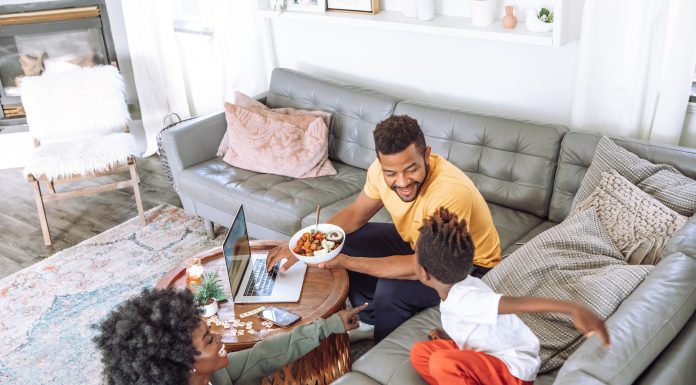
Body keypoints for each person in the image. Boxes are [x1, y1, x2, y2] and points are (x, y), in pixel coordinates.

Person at [266, 114, 501, 342]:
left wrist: (346, 262)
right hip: (418, 243)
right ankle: (370, 319)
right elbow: (356, 215)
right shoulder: (378, 172)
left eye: (411, 169)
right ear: (381, 164)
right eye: (391, 173)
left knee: (391, 288)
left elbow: (422, 265)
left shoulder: (449, 192)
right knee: (345, 239)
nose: (402, 181)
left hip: (465, 265)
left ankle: (382, 345)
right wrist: (301, 244)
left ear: (426, 155)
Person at [410, 207, 610, 385]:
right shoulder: (457, 288)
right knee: (420, 353)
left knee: (441, 363)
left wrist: (573, 308)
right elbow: (475, 330)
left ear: (424, 272)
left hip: (512, 371)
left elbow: (520, 304)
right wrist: (450, 335)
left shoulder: (467, 300)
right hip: (485, 355)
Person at [93, 288, 367, 385]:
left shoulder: (215, 375)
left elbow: (265, 354)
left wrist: (329, 325)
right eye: (210, 340)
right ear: (185, 364)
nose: (221, 340)